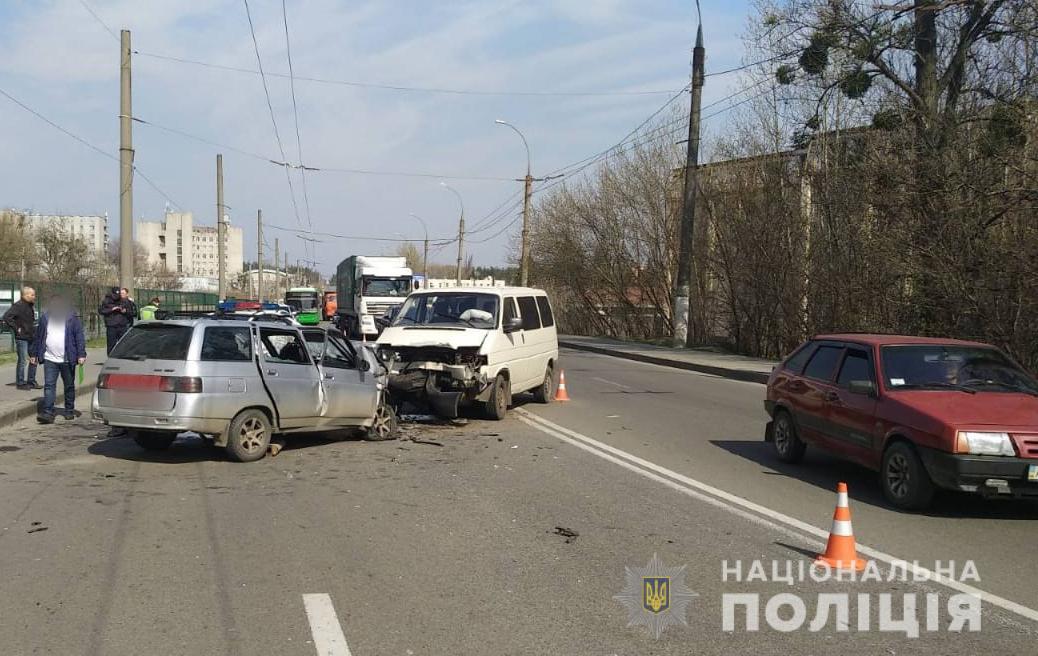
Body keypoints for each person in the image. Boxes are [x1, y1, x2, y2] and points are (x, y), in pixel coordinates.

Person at [29, 295, 86, 424]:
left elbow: (79, 337)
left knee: (69, 386)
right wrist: (34, 354)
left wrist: (81, 354)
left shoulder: (72, 319)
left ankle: (69, 410)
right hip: (50, 358)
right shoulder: (45, 318)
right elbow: (39, 337)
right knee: (49, 385)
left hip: (67, 359)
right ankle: (48, 412)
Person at [2, 286, 39, 390]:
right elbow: (7, 317)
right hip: (22, 337)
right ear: (25, 295)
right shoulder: (18, 305)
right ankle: (21, 383)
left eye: (34, 294)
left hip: (31, 336)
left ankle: (31, 381)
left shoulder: (30, 305)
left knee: (34, 358)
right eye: (32, 295)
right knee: (23, 360)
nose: (34, 297)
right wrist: (16, 328)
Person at [99, 286, 133, 354]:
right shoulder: (107, 300)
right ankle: (111, 357)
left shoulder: (125, 301)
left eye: (119, 294)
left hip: (122, 325)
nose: (117, 296)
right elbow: (101, 311)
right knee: (111, 344)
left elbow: (132, 312)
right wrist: (112, 309)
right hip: (111, 326)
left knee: (123, 343)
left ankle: (123, 357)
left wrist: (125, 311)